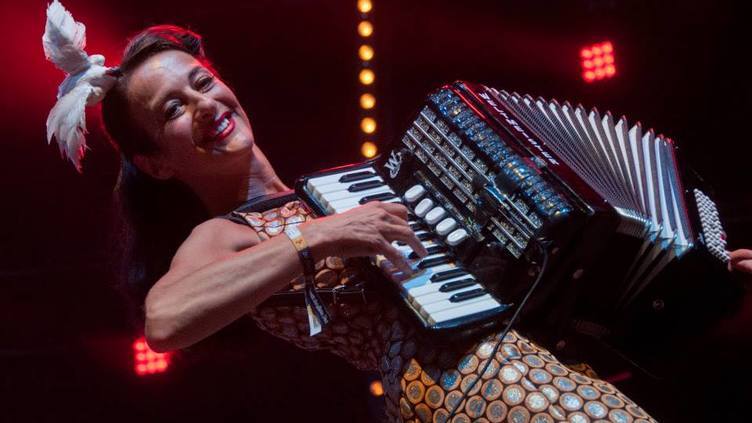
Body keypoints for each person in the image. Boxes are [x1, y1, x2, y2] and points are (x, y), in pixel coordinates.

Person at [43, 3, 662, 421]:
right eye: (172, 110)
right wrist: (317, 237)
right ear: (156, 164)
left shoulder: (346, 187)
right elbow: (166, 320)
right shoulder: (224, 232)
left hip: (539, 364)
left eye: (200, 83)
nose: (202, 105)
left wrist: (674, 283)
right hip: (460, 389)